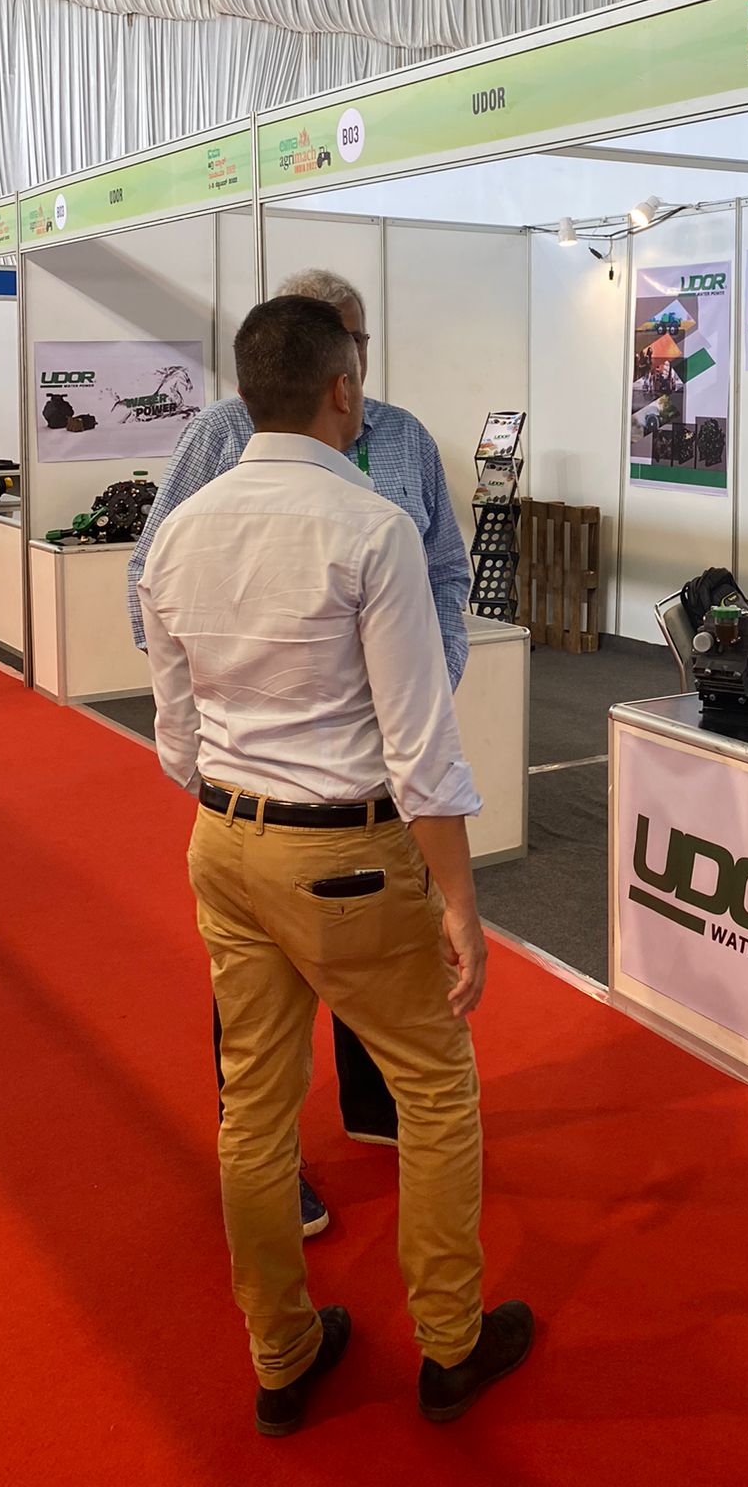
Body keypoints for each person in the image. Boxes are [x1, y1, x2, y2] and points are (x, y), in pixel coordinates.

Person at [137, 295, 531, 1434]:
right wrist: (460, 898)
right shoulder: (370, 526)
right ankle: (450, 1343)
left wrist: (240, 801)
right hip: (349, 851)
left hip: (223, 840)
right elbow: (420, 745)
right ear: (343, 389)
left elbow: (175, 730)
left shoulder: (180, 530)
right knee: (437, 1090)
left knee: (254, 1109)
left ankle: (283, 1352)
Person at [128, 267, 469, 1235]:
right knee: (421, 1079)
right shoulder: (239, 454)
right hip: (325, 809)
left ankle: (283, 1297)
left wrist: (433, 666)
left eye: (353, 334)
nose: (351, 358)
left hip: (257, 813)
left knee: (275, 1064)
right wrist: (462, 898)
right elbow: (154, 588)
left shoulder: (403, 443)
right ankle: (444, 1310)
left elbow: (444, 572)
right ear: (331, 374)